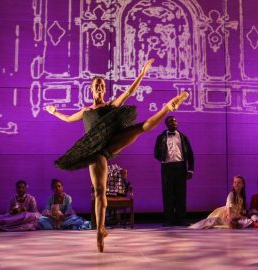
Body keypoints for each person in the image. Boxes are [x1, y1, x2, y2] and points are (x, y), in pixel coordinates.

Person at [46, 58, 189, 252]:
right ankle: (100, 230)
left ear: (104, 90)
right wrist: (55, 112)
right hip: (95, 151)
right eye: (97, 85)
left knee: (139, 129)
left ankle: (167, 108)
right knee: (99, 191)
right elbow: (69, 119)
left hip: (112, 141)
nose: (99, 88)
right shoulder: (86, 110)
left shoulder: (111, 105)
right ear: (91, 89)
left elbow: (129, 92)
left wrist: (143, 73)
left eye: (102, 86)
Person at [154, 116, 194, 226]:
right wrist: (163, 158)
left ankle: (181, 219)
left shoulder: (183, 137)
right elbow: (156, 153)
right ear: (166, 124)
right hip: (167, 167)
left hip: (180, 167)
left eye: (175, 121)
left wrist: (190, 170)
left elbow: (190, 154)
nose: (174, 123)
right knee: (167, 194)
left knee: (181, 194)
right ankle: (169, 219)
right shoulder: (161, 137)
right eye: (171, 121)